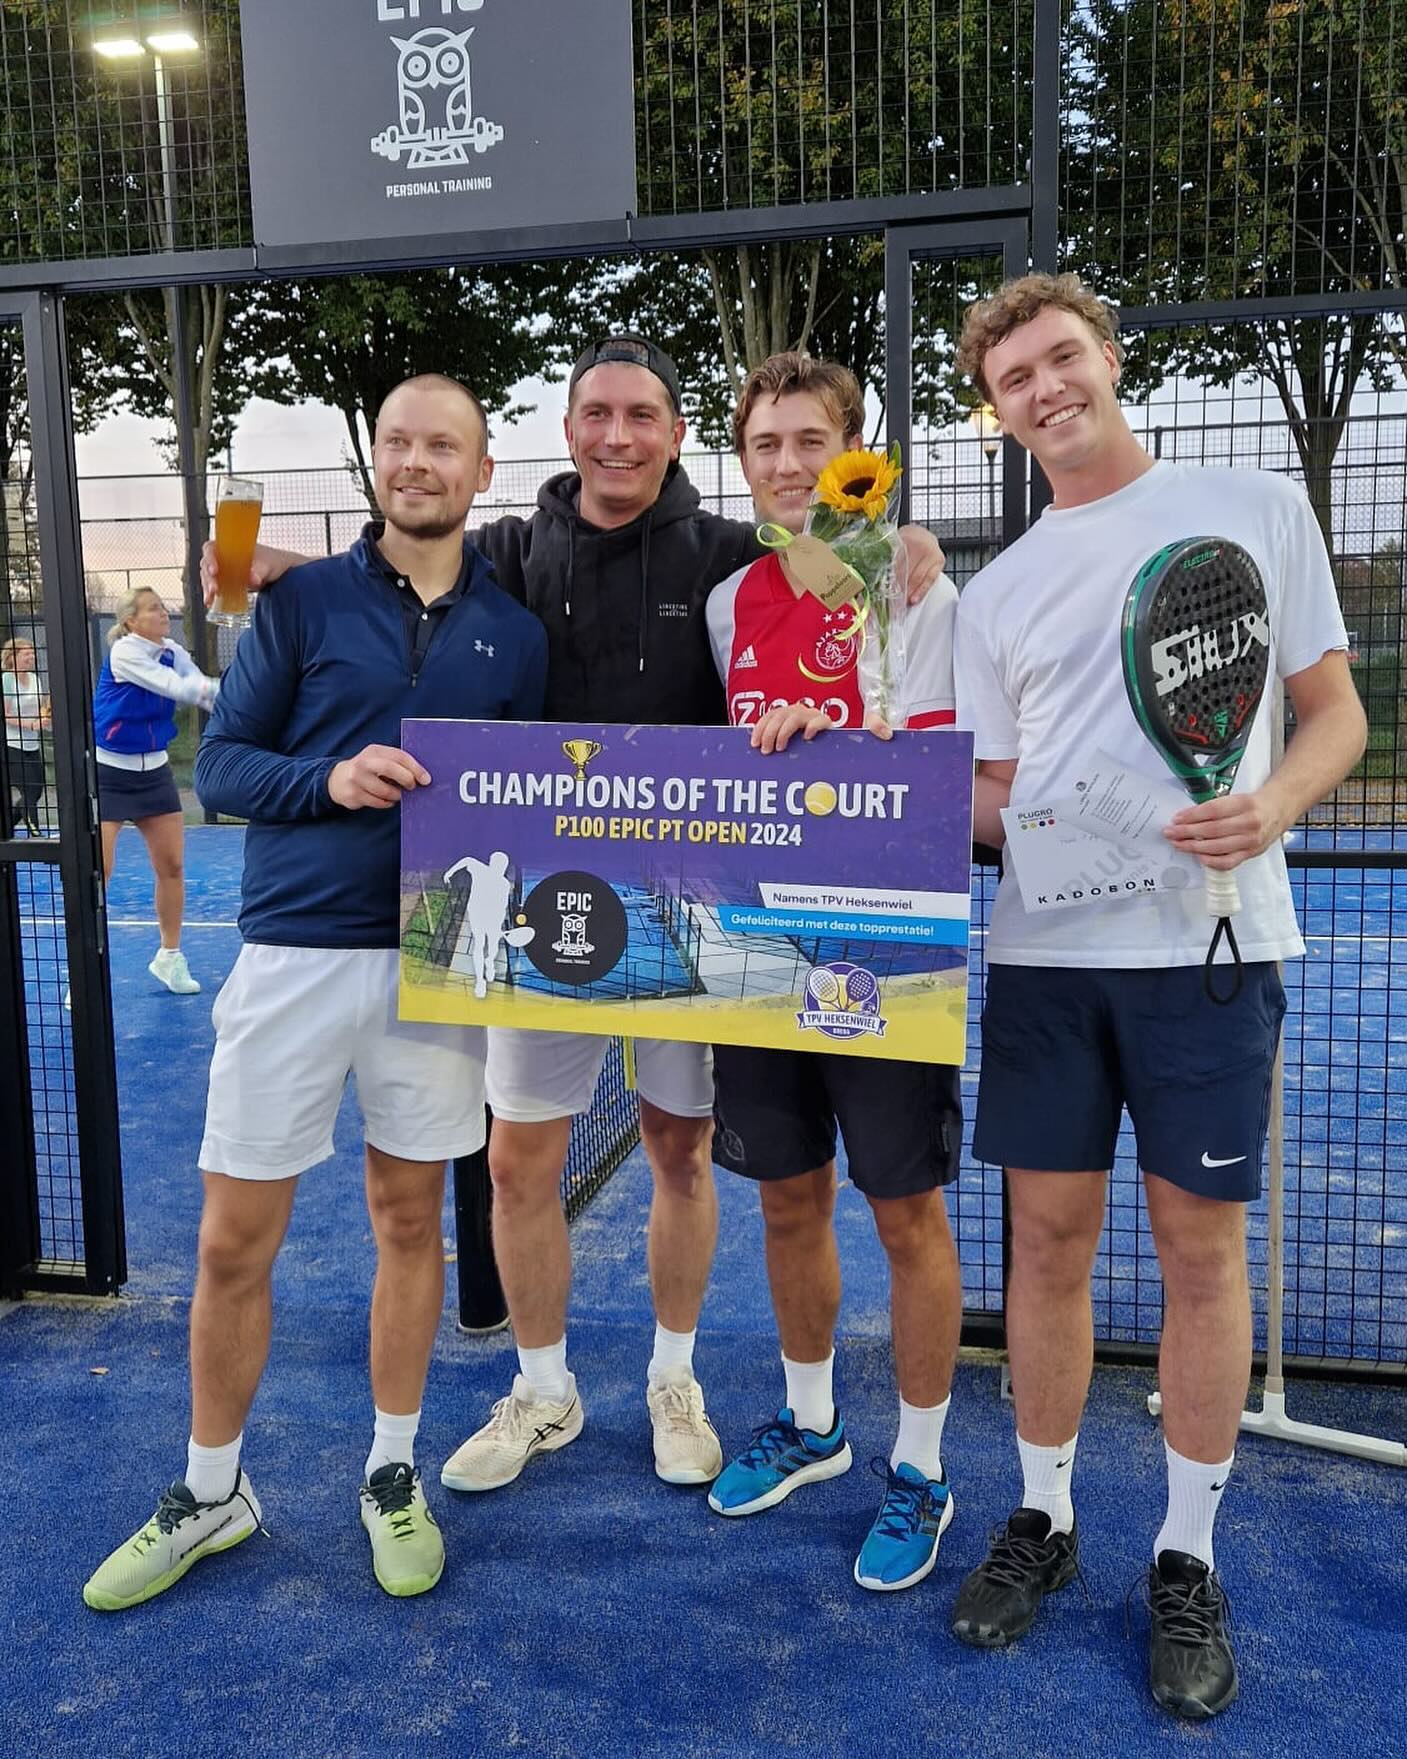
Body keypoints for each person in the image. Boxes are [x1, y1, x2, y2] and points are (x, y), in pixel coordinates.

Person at [200, 334, 947, 1496]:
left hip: (695, 910)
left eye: (642, 415)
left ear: (676, 435)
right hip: (540, 914)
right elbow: (401, 559)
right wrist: (267, 562)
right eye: (596, 413)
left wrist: (901, 547)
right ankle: (543, 1388)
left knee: (678, 1152)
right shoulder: (504, 549)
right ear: (566, 431)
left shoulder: (729, 554)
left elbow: (838, 570)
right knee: (517, 1161)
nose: (617, 435)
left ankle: (674, 1377)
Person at [946, 274, 1365, 1717]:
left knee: (1198, 1251)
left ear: (1106, 359)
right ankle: (1046, 1514)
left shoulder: (1249, 505)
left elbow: (1332, 713)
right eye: (1013, 377)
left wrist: (1271, 808)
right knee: (1045, 1246)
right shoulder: (992, 591)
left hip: (1214, 950)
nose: (1044, 387)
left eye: (1060, 356)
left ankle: (1182, 1549)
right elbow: (995, 790)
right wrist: (890, 777)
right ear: (991, 410)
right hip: (1043, 964)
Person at [83, 375, 548, 1611]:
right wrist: (331, 780)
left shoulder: (519, 630)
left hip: (438, 965)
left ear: (479, 470)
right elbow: (222, 763)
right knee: (235, 1239)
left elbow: (545, 802)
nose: (416, 461)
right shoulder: (300, 602)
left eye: (442, 444)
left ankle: (391, 1471)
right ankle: (211, 1487)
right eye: (398, 442)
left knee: (411, 1223)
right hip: (293, 954)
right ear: (376, 465)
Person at [702, 351, 1006, 1594]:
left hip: (886, 948)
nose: (789, 464)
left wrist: (839, 744)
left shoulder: (921, 591)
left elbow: (947, 775)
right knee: (784, 1199)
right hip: (758, 948)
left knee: (904, 1212)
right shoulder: (728, 602)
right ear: (745, 458)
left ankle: (922, 1467)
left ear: (855, 451)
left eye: (812, 441)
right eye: (767, 442)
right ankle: (815, 1423)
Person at [91, 589, 220, 994]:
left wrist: (238, 708)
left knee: (173, 868)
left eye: (164, 607)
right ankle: (83, 972)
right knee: (98, 872)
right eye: (153, 609)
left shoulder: (171, 649)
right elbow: (176, 688)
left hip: (155, 772)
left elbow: (195, 682)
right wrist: (241, 697)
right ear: (130, 620)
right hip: (108, 772)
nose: (164, 613)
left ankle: (169, 958)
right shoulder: (125, 653)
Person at [2, 634, 50, 834]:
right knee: (29, 791)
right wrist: (31, 724)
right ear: (13, 657)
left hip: (33, 744)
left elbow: (41, 707)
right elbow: (6, 715)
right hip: (12, 745)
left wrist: (45, 718)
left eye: (32, 654)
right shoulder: (6, 680)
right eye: (26, 654)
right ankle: (37, 836)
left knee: (37, 790)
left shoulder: (34, 679)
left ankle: (5, 828)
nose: (31, 657)